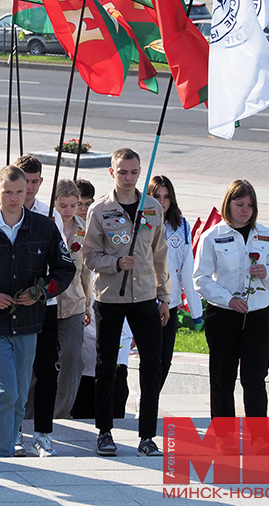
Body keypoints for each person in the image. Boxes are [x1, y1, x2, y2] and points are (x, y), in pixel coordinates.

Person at [0, 165, 75, 458]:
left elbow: (65, 268)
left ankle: (13, 443)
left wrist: (42, 292)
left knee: (19, 394)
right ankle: (2, 452)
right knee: (5, 391)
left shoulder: (44, 228)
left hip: (29, 323)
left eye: (20, 191)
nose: (15, 197)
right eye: (8, 191)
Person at [82, 148, 169, 458]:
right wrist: (116, 263)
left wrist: (164, 296)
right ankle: (104, 432)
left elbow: (160, 255)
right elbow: (90, 256)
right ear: (112, 172)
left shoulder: (152, 208)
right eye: (122, 172)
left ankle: (147, 435)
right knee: (106, 365)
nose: (128, 178)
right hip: (110, 297)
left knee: (152, 366)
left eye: (133, 172)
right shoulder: (99, 209)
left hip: (145, 296)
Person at [193, 179, 269, 452]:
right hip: (224, 316)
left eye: (250, 205)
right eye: (239, 204)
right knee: (222, 377)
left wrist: (267, 273)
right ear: (227, 204)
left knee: (255, 377)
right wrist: (227, 299)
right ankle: (225, 437)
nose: (245, 210)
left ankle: (259, 439)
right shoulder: (213, 236)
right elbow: (201, 279)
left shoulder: (265, 233)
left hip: (258, 315)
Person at [13, 154, 61, 457]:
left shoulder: (50, 215)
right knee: (16, 372)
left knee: (46, 369)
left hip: (44, 304)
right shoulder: (3, 213)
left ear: (41, 182)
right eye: (23, 182)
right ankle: (14, 431)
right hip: (14, 305)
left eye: (33, 182)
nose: (28, 188)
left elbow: (62, 266)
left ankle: (42, 433)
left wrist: (42, 291)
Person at [147, 175, 202, 389]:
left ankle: (151, 401)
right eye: (156, 196)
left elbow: (188, 272)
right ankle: (145, 404)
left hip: (171, 304)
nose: (161, 202)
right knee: (149, 361)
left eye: (166, 197)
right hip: (143, 301)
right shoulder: (140, 223)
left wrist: (196, 312)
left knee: (164, 361)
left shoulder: (182, 225)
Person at [51, 179, 92, 420]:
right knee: (41, 361)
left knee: (72, 358)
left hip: (74, 302)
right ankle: (31, 413)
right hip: (48, 302)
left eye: (73, 205)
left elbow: (87, 272)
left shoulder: (83, 229)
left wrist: (88, 305)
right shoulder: (46, 225)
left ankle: (61, 412)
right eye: (62, 206)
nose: (68, 211)